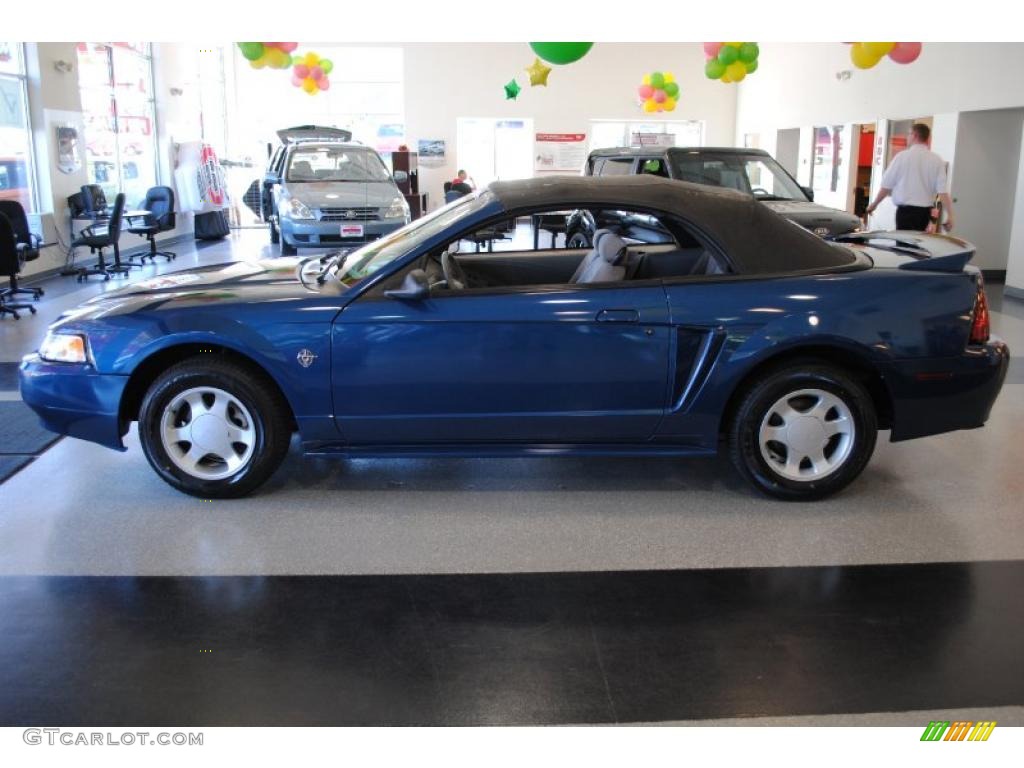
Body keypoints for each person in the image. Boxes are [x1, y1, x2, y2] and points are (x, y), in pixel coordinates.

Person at [865, 123, 955, 232]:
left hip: (905, 213)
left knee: (903, 246)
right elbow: (943, 192)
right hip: (924, 213)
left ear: (915, 135)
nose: (907, 137)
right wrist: (950, 215)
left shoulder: (902, 157)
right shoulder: (936, 160)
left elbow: (886, 186)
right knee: (917, 246)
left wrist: (874, 205)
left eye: (909, 134)